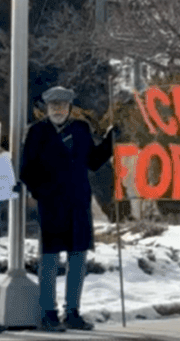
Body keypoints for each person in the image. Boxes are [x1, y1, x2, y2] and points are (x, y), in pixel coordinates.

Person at [18, 86, 117, 332]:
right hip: (52, 205)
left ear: (70, 107)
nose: (58, 110)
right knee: (49, 259)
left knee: (78, 258)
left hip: (78, 203)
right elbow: (26, 170)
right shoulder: (36, 132)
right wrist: (43, 193)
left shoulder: (81, 129)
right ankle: (48, 313)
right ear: (46, 109)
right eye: (53, 106)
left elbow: (93, 161)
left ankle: (72, 312)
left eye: (62, 106)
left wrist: (109, 141)